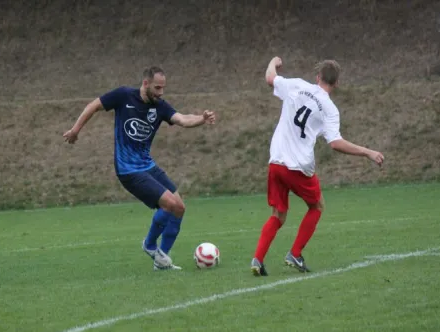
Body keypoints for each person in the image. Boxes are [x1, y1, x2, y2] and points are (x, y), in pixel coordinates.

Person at [63, 66, 216, 271]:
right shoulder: (123, 95)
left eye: (163, 88)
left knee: (179, 207)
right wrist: (75, 130)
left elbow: (181, 119)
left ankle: (161, 259)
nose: (161, 93)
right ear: (145, 83)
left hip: (147, 165)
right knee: (169, 204)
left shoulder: (159, 106)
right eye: (157, 88)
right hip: (128, 170)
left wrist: (201, 119)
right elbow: (94, 105)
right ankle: (150, 245)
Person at [251, 57, 384, 277]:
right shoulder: (330, 109)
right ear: (337, 83)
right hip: (299, 166)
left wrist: (273, 62)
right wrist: (367, 152)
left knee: (278, 214)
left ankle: (257, 259)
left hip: (276, 161)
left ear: (317, 77)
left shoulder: (297, 85)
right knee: (317, 206)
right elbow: (335, 143)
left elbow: (269, 78)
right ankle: (294, 253)